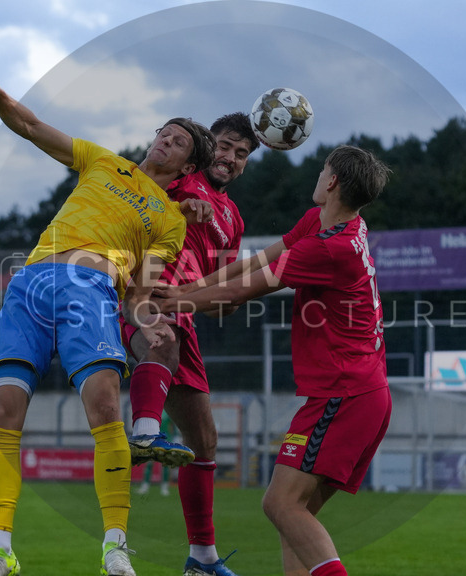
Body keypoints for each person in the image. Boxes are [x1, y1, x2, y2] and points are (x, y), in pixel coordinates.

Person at [0, 64, 215, 576]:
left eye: (175, 143)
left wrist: (147, 319)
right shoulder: (104, 162)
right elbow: (32, 127)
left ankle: (114, 548)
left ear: (186, 166)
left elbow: (142, 290)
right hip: (30, 283)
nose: (163, 143)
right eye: (163, 134)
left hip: (92, 290)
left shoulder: (170, 220)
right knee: (3, 412)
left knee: (104, 408)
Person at [157, 145, 392, 576]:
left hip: (345, 394)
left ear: (333, 181)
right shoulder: (329, 224)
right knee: (294, 518)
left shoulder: (328, 247)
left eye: (323, 169)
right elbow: (255, 262)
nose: (318, 175)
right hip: (359, 392)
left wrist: (174, 302)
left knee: (280, 504)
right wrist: (186, 291)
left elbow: (243, 291)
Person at [121, 112, 259, 576]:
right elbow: (136, 194)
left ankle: (202, 558)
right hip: (147, 293)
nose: (230, 158)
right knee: (161, 341)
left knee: (204, 440)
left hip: (187, 315)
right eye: (224, 146)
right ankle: (142, 433)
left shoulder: (234, 218)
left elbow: (223, 294)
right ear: (206, 149)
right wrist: (178, 206)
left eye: (240, 154)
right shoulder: (181, 176)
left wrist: (227, 300)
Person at [136, 412, 176, 497]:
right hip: (153, 440)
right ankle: (145, 486)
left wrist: (174, 437)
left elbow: (173, 426)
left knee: (165, 464)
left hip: (165, 440)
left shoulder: (167, 412)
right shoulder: (153, 410)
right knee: (149, 463)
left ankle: (164, 487)